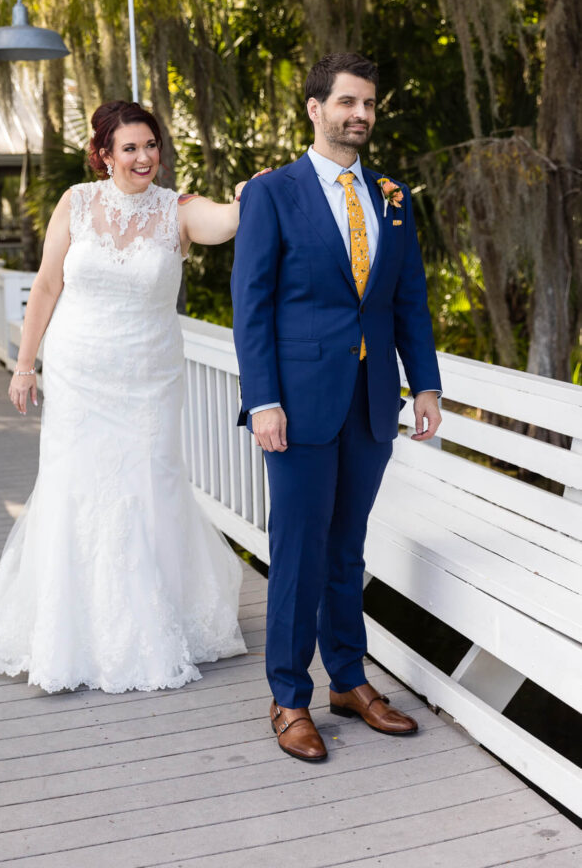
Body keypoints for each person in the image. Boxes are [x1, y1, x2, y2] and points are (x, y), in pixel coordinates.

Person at [0, 100, 248, 693]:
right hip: (79, 373)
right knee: (75, 487)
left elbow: (227, 223)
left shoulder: (179, 211)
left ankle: (157, 620)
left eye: (151, 146)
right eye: (130, 148)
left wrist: (250, 195)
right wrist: (24, 364)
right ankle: (70, 625)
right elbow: (46, 284)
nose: (144, 158)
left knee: (149, 483)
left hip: (148, 379)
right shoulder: (77, 203)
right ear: (105, 155)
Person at [231, 53, 442, 761]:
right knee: (297, 551)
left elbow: (407, 299)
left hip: (372, 403)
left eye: (370, 104)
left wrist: (428, 384)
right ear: (315, 108)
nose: (361, 114)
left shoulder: (392, 196)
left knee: (347, 548)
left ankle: (348, 680)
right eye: (347, 101)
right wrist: (262, 400)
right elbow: (251, 308)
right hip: (294, 406)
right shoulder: (273, 193)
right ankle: (289, 697)